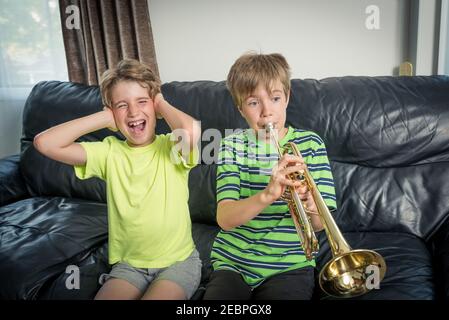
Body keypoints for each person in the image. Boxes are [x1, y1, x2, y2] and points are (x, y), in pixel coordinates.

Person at [33, 59, 202, 300]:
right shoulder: (109, 152)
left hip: (178, 263)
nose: (133, 112)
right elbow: (44, 143)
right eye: (122, 105)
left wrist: (160, 102)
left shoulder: (171, 148)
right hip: (130, 266)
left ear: (154, 106)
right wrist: (103, 118)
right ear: (112, 111)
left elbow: (191, 131)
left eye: (142, 102)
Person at [203, 52, 337, 300]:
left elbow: (319, 225)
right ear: (240, 108)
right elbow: (225, 218)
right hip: (233, 262)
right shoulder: (232, 146)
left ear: (286, 98)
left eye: (275, 98)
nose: (267, 112)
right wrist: (268, 194)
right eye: (254, 103)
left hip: (290, 265)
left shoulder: (311, 145)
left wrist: (309, 202)